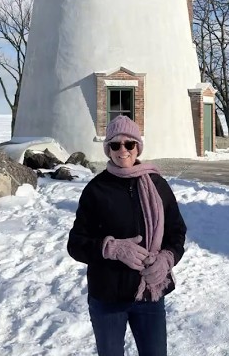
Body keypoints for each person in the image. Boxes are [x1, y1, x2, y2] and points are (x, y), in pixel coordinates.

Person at [67, 115, 187, 356]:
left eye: (129, 144)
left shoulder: (157, 185)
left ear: (137, 146)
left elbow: (177, 233)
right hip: (108, 298)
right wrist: (112, 248)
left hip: (149, 294)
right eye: (115, 145)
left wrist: (166, 259)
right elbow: (76, 244)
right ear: (108, 149)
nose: (123, 150)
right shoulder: (96, 190)